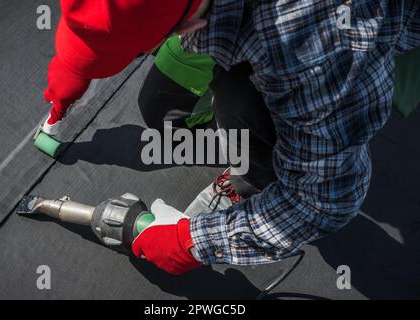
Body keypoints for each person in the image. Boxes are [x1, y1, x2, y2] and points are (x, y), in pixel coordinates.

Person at [42, 0, 420, 275]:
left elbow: (324, 201)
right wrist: (75, 68)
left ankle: (256, 180)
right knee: (162, 104)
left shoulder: (312, 50)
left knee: (242, 98)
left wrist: (194, 242)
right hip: (234, 15)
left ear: (187, 26)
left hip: (352, 34)